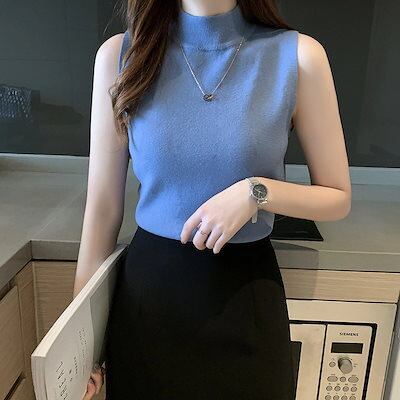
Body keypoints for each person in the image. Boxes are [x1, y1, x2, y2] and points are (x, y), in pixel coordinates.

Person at [75, 0, 352, 399]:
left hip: (245, 302)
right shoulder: (121, 56)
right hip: (147, 309)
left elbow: (337, 197)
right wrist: (80, 344)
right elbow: (102, 209)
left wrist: (256, 192)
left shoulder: (298, 57)